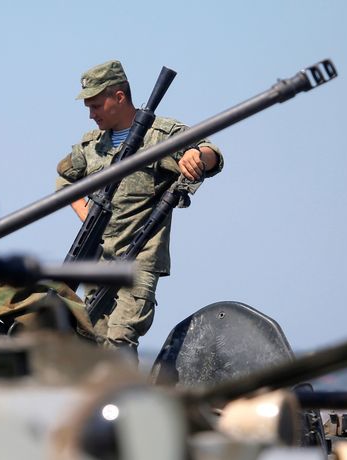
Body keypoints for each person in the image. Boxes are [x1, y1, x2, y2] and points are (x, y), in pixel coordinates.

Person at [55, 60, 224, 354]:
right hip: (98, 263)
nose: (91, 114)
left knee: (119, 340)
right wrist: (88, 219)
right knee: (90, 346)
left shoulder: (159, 136)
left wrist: (197, 156)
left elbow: (211, 153)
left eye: (95, 105)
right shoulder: (92, 146)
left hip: (138, 261)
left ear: (119, 98)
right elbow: (64, 178)